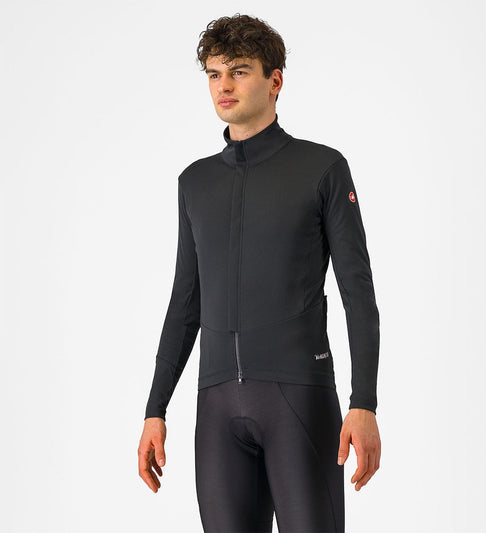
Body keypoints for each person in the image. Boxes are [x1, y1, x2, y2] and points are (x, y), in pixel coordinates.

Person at [138, 13, 381, 533]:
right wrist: (155, 409)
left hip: (299, 400)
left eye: (239, 71)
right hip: (217, 407)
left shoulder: (322, 168)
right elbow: (185, 303)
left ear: (275, 81)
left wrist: (364, 403)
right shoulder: (195, 182)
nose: (223, 85)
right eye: (214, 73)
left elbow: (358, 293)